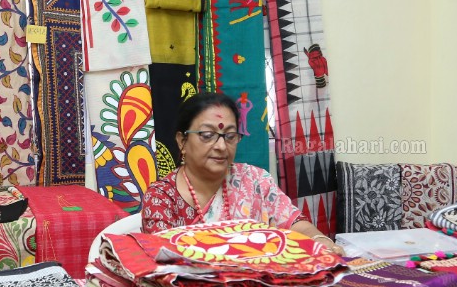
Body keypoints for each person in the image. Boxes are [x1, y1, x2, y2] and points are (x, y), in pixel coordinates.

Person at [141, 92, 344, 255]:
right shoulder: (161, 198)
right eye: (207, 135)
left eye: (230, 136)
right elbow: (164, 260)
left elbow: (294, 223)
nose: (221, 146)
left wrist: (320, 241)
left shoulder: (254, 181)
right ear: (181, 141)